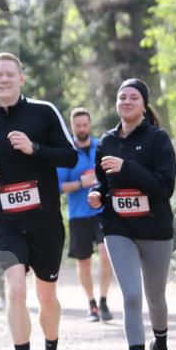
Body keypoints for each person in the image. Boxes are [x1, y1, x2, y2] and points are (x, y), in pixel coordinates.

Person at [0, 52, 77, 350]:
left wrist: (34, 148)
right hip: (6, 224)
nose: (3, 79)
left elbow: (70, 156)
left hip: (45, 221)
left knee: (46, 296)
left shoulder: (43, 112)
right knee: (16, 289)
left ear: (22, 79)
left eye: (9, 74)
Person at [87, 79, 176, 350]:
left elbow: (165, 187)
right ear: (116, 104)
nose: (126, 101)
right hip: (118, 227)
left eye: (133, 97)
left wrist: (129, 167)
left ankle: (161, 346)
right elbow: (102, 184)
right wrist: (97, 195)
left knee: (155, 297)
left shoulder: (157, 139)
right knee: (130, 297)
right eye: (122, 97)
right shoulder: (106, 141)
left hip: (154, 228)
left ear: (143, 105)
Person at [57, 107, 114, 322]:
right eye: (78, 125)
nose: (82, 128)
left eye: (85, 124)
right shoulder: (67, 152)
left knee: (106, 254)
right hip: (78, 215)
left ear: (90, 124)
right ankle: (91, 304)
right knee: (84, 263)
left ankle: (104, 300)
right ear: (72, 127)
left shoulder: (102, 145)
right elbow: (58, 186)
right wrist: (82, 183)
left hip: (102, 211)